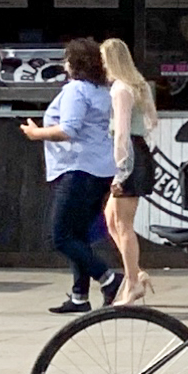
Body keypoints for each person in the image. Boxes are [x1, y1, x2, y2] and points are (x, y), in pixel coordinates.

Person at [24, 35, 121, 314]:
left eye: (67, 58)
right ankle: (80, 296)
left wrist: (35, 133)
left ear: (74, 63)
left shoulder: (76, 90)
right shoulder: (102, 90)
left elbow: (68, 129)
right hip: (101, 169)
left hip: (78, 168)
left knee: (60, 236)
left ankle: (109, 278)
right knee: (78, 235)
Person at [98, 39, 159, 302]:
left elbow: (121, 132)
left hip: (129, 156)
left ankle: (133, 281)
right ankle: (135, 272)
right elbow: (152, 121)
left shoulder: (120, 89)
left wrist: (120, 169)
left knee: (122, 223)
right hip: (140, 149)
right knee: (111, 218)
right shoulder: (139, 85)